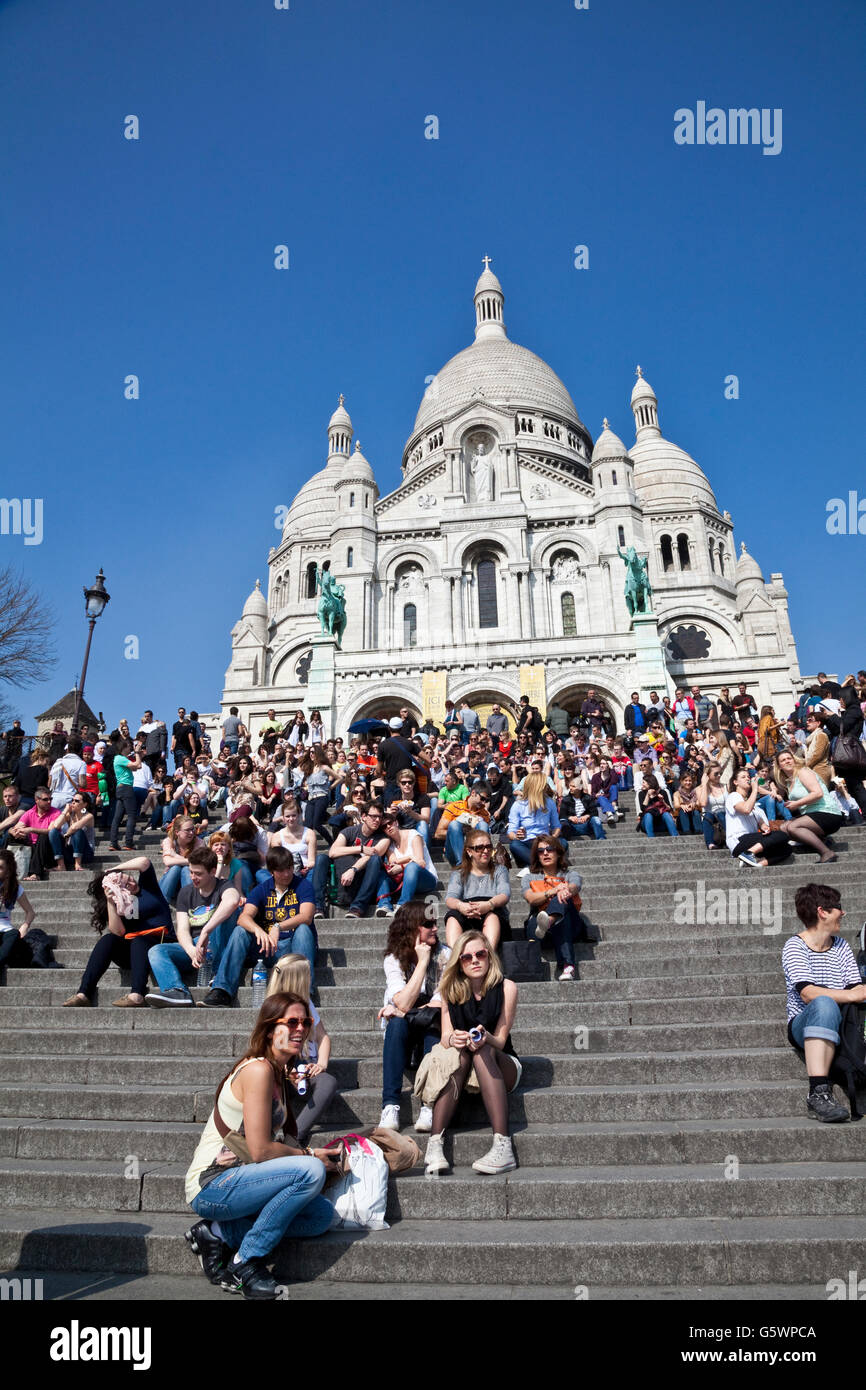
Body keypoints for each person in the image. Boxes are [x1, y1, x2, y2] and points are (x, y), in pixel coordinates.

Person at [184, 992, 339, 1298]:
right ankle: (247, 1259)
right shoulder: (257, 1070)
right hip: (213, 1183)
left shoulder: (278, 1073)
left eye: (305, 1022)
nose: (300, 1029)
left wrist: (315, 1155)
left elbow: (272, 1147)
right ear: (270, 1029)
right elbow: (259, 1150)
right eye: (291, 1022)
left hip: (245, 1179)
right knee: (309, 1172)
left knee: (320, 1216)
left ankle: (215, 1233)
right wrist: (309, 1156)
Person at [423, 932, 520, 1177]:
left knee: (482, 1049)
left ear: (489, 956)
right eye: (466, 957)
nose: (474, 960)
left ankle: (503, 1146)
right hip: (465, 1065)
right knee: (461, 1052)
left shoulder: (506, 987)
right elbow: (445, 1036)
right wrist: (454, 1038)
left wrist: (485, 1036)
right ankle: (435, 1145)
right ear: (459, 962)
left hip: (502, 1063)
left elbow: (501, 1039)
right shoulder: (449, 990)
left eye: (480, 954)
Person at [782, 883, 866, 1122]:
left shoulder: (840, 946)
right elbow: (807, 994)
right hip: (804, 1023)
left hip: (840, 1023)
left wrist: (857, 993)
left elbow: (855, 988)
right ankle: (818, 1092)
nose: (844, 913)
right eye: (839, 908)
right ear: (823, 912)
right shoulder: (795, 946)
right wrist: (852, 995)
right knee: (823, 1002)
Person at [201, 846, 317, 1007]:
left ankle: (304, 993)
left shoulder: (303, 886)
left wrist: (277, 926)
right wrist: (258, 930)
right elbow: (243, 918)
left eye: (289, 868)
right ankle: (222, 990)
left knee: (303, 929)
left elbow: (307, 916)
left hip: (293, 948)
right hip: (266, 947)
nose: (286, 874)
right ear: (271, 871)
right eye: (280, 870)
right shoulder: (261, 889)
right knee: (240, 931)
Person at [378, 901, 452, 1132]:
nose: (435, 929)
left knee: (432, 1022)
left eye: (435, 923)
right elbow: (401, 1001)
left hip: (432, 1026)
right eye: (428, 924)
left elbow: (440, 1001)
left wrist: (403, 1008)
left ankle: (428, 1104)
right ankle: (390, 1106)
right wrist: (421, 963)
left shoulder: (445, 955)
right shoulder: (393, 959)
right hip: (404, 1031)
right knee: (397, 1024)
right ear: (412, 928)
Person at [62, 856, 174, 1008]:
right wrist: (111, 902)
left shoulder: (148, 888)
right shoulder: (122, 905)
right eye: (123, 886)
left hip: (161, 943)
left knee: (140, 940)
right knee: (108, 940)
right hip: (136, 952)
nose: (130, 883)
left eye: (126, 878)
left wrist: (115, 870)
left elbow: (144, 862)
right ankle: (84, 993)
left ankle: (137, 994)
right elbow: (118, 932)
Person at [146, 846, 241, 1007]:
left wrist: (206, 930)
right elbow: (182, 929)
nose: (193, 877)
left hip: (218, 941)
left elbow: (232, 901)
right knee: (156, 950)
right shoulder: (186, 892)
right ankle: (177, 991)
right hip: (195, 946)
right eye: (191, 872)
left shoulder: (224, 885)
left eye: (198, 874)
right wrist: (192, 951)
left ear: (212, 872)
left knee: (220, 919)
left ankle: (218, 975)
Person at [264, 953, 338, 1143]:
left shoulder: (307, 1003)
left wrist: (321, 1063)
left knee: (328, 1082)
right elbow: (277, 1051)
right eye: (308, 975)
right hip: (287, 1066)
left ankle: (296, 1134)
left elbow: (323, 1037)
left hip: (308, 1064)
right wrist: (290, 1074)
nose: (311, 978)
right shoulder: (276, 1008)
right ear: (297, 980)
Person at [522, 835, 585, 981]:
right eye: (541, 851)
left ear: (558, 852)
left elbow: (575, 887)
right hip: (539, 931)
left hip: (570, 925)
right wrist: (553, 890)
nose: (545, 853)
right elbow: (531, 898)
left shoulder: (570, 874)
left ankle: (550, 920)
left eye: (549, 849)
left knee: (563, 898)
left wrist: (565, 889)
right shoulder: (529, 877)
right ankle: (568, 967)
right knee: (560, 898)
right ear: (537, 856)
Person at [443, 829, 510, 950]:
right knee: (452, 917)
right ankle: (454, 958)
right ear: (469, 851)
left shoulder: (500, 870)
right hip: (468, 913)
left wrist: (489, 905)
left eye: (489, 847)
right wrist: (461, 906)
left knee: (492, 916)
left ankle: (489, 957)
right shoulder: (459, 873)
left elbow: (504, 894)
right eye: (479, 848)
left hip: (493, 912)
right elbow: (450, 898)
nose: (486, 851)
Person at [774, 750, 845, 861]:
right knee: (783, 828)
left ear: (794, 760)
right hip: (811, 815)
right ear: (779, 766)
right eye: (783, 760)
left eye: (789, 758)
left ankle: (827, 853)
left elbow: (818, 793)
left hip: (827, 812)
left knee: (793, 826)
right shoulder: (788, 782)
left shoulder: (803, 772)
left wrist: (797, 803)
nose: (787, 761)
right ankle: (821, 840)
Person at [724, 768, 794, 868]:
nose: (747, 779)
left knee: (787, 848)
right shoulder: (733, 796)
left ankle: (755, 864)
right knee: (781, 835)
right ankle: (748, 853)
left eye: (748, 776)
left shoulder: (754, 804)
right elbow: (746, 809)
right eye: (743, 777)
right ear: (735, 782)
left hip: (753, 841)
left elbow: (762, 824)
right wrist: (755, 789)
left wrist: (765, 828)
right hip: (738, 841)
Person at [379, 809, 439, 915]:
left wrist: (402, 866)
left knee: (412, 867)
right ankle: (384, 905)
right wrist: (410, 857)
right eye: (384, 827)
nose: (388, 827)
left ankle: (403, 905)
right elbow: (394, 863)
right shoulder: (390, 845)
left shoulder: (413, 835)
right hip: (403, 881)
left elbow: (420, 863)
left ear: (396, 822)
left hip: (425, 879)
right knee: (381, 874)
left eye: (390, 823)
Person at [506, 771, 561, 866]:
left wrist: (553, 838)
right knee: (515, 845)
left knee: (563, 843)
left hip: (545, 841)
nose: (546, 786)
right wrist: (517, 836)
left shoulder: (550, 803)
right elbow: (511, 832)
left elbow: (556, 826)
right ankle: (540, 864)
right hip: (527, 842)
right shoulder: (518, 804)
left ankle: (534, 864)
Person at [0, 849, 37, 971]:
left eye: (0, 867)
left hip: (6, 932)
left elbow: (30, 912)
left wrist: (25, 926)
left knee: (14, 934)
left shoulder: (14, 888)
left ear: (8, 871)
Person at [47, 791, 96, 871]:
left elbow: (75, 827)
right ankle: (61, 865)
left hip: (86, 854)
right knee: (53, 832)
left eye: (76, 801)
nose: (73, 802)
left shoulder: (89, 816)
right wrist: (65, 811)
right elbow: (56, 826)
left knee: (78, 831)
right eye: (72, 800)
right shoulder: (69, 815)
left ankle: (78, 864)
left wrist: (66, 835)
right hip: (70, 852)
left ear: (85, 804)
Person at [637, 773, 678, 838]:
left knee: (666, 814)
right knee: (648, 815)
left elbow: (669, 809)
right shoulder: (641, 793)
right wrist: (647, 795)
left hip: (661, 824)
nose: (642, 784)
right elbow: (643, 809)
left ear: (650, 783)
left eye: (644, 782)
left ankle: (676, 837)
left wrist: (662, 801)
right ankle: (651, 839)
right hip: (647, 824)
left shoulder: (662, 792)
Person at [697, 763, 727, 850]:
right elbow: (703, 803)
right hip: (710, 816)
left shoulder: (726, 786)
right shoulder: (700, 788)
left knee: (721, 813)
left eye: (720, 773)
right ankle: (710, 844)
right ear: (707, 774)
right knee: (708, 815)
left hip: (725, 815)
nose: (719, 775)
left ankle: (730, 840)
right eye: (716, 773)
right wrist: (704, 784)